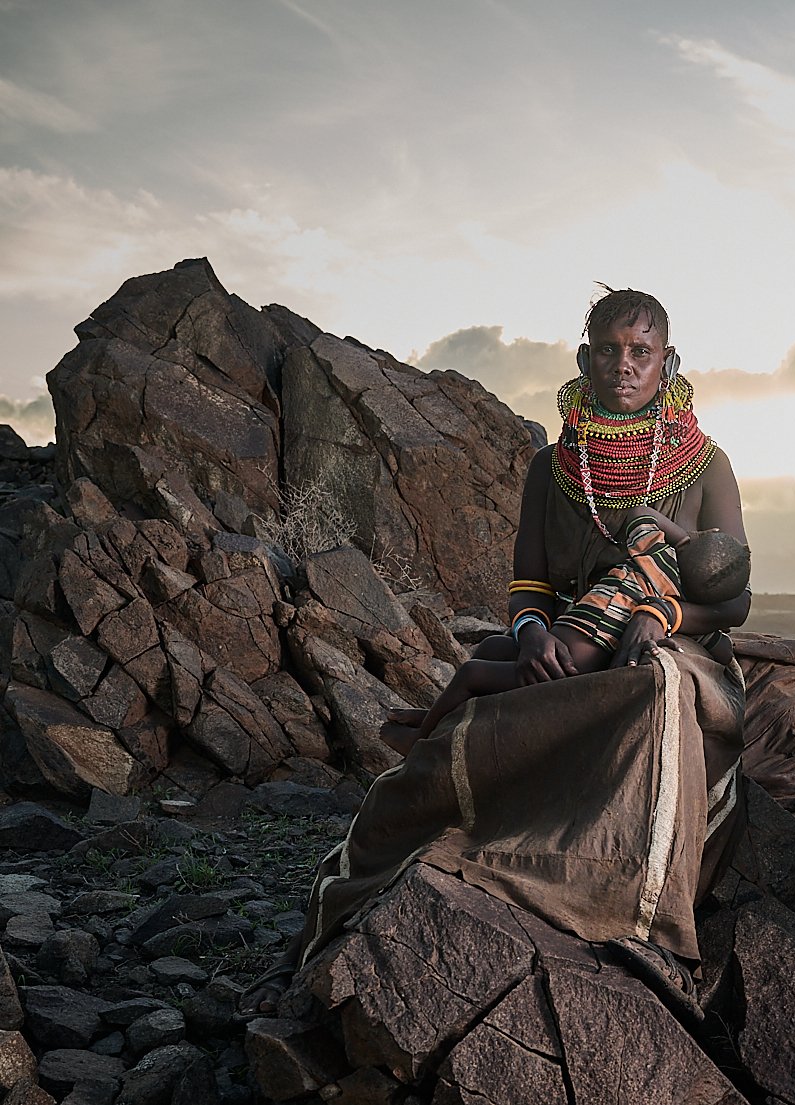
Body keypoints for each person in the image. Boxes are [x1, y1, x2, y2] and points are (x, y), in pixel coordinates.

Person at [243, 286, 752, 1016]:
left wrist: (667, 613)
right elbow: (529, 586)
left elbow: (732, 599)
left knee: (658, 688)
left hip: (672, 648)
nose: (623, 366)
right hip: (564, 644)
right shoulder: (552, 468)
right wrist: (532, 633)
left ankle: (645, 922)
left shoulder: (706, 466)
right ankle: (345, 909)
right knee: (451, 753)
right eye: (608, 350)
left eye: (641, 352)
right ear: (584, 357)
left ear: (668, 361)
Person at [385, 510, 750, 750]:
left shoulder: (653, 553)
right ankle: (443, 717)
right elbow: (719, 646)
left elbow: (641, 514)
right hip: (581, 664)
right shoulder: (680, 599)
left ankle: (421, 740)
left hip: (563, 665)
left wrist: (684, 539)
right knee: (495, 647)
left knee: (473, 670)